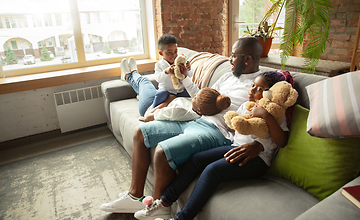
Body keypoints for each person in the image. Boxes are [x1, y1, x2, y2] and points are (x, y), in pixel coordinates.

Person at [100, 37, 263, 215]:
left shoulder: (260, 85)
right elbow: (202, 96)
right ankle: (134, 196)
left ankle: (158, 209)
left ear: (247, 59)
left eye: (233, 55)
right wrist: (187, 83)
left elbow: (263, 117)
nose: (230, 59)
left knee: (163, 151)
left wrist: (259, 144)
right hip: (196, 118)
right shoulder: (227, 76)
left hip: (218, 132)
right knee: (141, 132)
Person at [134, 71, 294, 220]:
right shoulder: (246, 105)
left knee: (212, 171)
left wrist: (263, 124)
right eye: (253, 86)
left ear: (271, 93)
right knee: (197, 159)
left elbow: (281, 140)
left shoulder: (274, 112)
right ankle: (163, 203)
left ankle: (181, 218)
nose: (252, 90)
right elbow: (234, 126)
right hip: (234, 146)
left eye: (259, 89)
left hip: (258, 160)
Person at [140, 87, 230, 123]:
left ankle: (131, 74)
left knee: (143, 83)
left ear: (199, 110)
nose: (194, 95)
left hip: (152, 106)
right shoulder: (201, 108)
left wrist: (167, 101)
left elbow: (147, 117)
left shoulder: (180, 112)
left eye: (195, 97)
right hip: (169, 99)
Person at [153, 34, 193, 108]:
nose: (173, 55)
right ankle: (153, 109)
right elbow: (158, 78)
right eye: (169, 52)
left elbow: (190, 75)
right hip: (167, 91)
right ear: (161, 53)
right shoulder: (159, 65)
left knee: (191, 94)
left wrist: (188, 69)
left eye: (175, 51)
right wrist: (166, 72)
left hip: (181, 90)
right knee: (160, 94)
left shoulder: (180, 62)